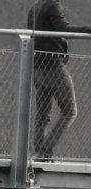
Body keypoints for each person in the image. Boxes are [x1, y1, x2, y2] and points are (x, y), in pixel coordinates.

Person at [27, 0, 91, 160]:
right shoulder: (52, 5)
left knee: (43, 114)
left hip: (37, 65)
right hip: (53, 66)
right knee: (70, 111)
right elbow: (63, 29)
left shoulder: (34, 8)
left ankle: (40, 151)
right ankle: (45, 151)